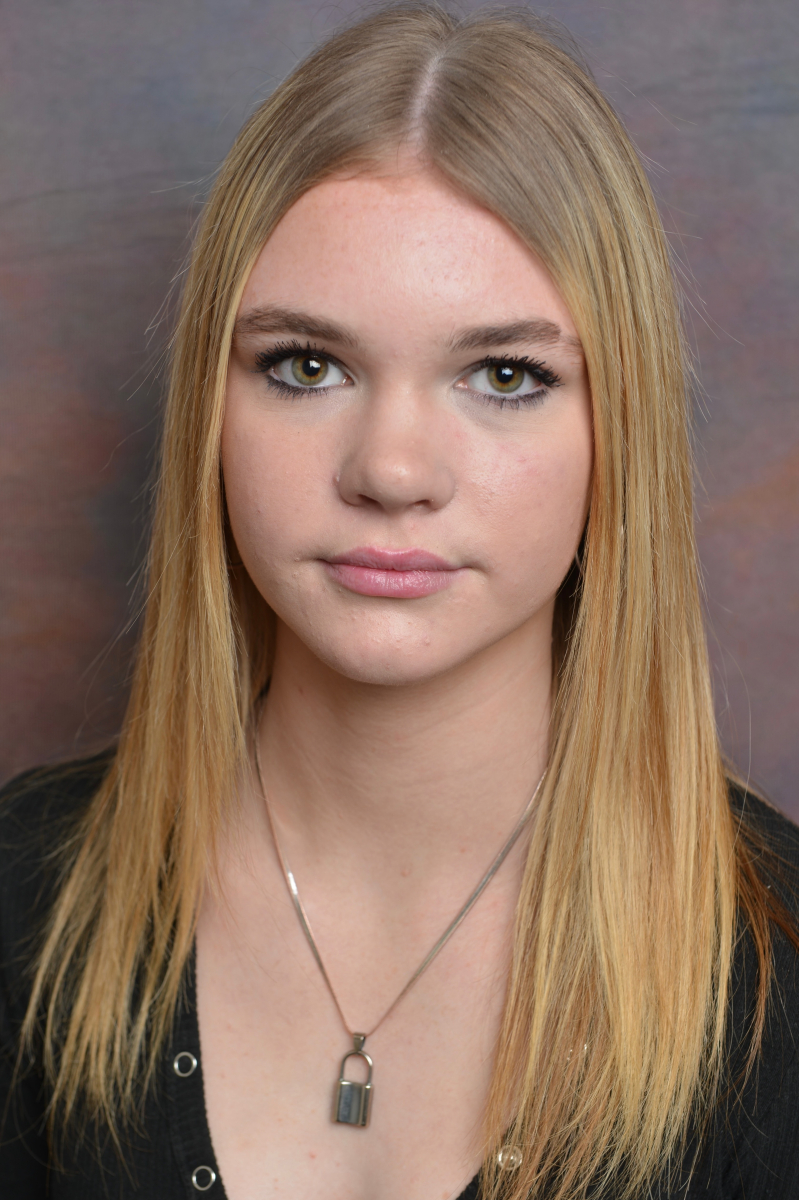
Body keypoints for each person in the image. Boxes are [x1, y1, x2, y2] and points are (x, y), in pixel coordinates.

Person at [2, 4, 798, 1198]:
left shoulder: (776, 973)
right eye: (306, 366)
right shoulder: (24, 899)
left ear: (618, 430)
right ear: (211, 407)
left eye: (504, 375)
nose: (391, 470)